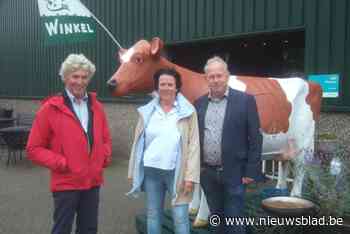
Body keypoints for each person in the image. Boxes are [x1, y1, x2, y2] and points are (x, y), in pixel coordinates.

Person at [26, 54, 112, 234]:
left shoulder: (97, 107)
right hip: (66, 182)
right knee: (62, 229)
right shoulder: (50, 109)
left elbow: (105, 138)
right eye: (75, 76)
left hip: (92, 182)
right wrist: (62, 163)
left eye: (84, 77)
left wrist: (103, 156)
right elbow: (34, 149)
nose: (79, 82)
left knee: (88, 229)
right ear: (65, 78)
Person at [127, 68, 200, 234]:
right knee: (153, 214)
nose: (166, 87)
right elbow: (137, 142)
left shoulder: (188, 112)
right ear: (157, 87)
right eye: (162, 84)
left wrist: (190, 177)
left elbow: (194, 146)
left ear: (177, 87)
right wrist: (133, 170)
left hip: (177, 172)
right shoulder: (147, 111)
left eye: (170, 84)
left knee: (180, 216)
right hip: (151, 171)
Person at [194, 56, 263, 234]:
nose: (216, 80)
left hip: (235, 173)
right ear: (206, 78)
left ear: (227, 76)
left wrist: (251, 171)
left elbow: (255, 138)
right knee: (216, 219)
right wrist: (199, 168)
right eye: (212, 76)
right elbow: (195, 138)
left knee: (235, 220)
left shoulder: (245, 101)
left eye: (219, 75)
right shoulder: (199, 104)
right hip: (208, 174)